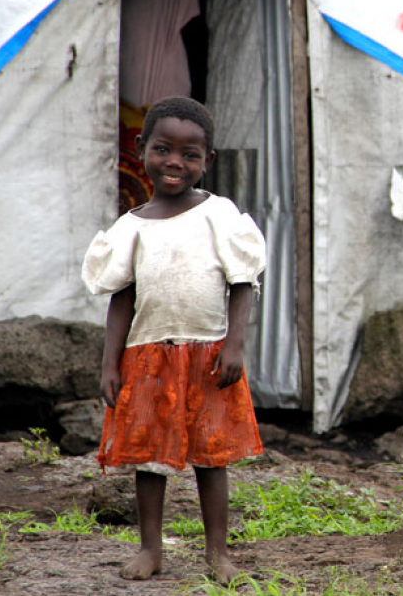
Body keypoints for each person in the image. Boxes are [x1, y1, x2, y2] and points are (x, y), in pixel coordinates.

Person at [81, 96, 266, 583]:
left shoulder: (220, 215)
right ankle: (150, 549)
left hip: (208, 354)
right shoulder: (130, 227)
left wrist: (235, 344)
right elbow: (121, 296)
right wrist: (110, 363)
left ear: (209, 160)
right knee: (148, 459)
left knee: (212, 456)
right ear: (142, 148)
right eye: (163, 149)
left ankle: (217, 554)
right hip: (148, 357)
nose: (175, 163)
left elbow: (243, 282)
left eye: (190, 154)